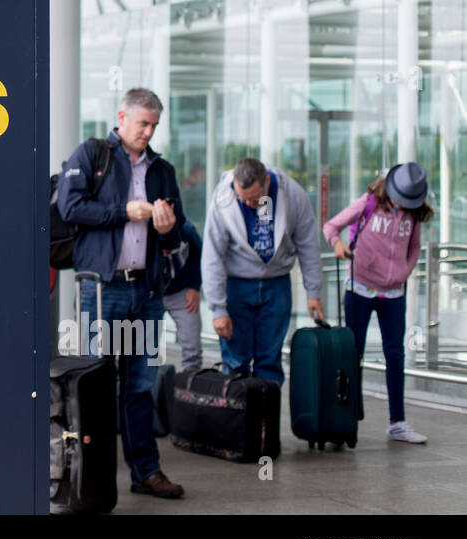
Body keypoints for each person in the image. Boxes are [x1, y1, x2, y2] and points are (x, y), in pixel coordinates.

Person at [59, 87, 187, 500]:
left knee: (139, 385)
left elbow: (178, 230)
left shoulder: (161, 170)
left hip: (146, 292)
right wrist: (124, 212)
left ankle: (146, 472)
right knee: (96, 383)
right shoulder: (93, 155)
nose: (148, 132)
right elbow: (70, 206)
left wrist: (168, 230)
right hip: (102, 291)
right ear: (122, 117)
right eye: (142, 123)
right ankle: (89, 474)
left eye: (154, 125)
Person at [323, 163, 431, 444]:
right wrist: (337, 243)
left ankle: (397, 423)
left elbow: (416, 246)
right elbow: (331, 226)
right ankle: (347, 418)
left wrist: (404, 271)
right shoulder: (369, 202)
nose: (402, 204)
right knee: (353, 354)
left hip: (394, 293)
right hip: (360, 288)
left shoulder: (414, 213)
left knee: (395, 355)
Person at [202, 156, 323, 386]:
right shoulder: (222, 198)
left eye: (255, 199)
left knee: (269, 361)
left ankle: (265, 422)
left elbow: (308, 244)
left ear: (266, 181)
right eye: (242, 199)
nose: (249, 204)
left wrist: (313, 292)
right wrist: (217, 309)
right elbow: (212, 255)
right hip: (236, 284)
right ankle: (237, 420)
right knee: (235, 362)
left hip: (276, 284)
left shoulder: (292, 194)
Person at [161, 220, 204, 372]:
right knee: (144, 347)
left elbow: (201, 256)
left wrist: (195, 286)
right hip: (152, 292)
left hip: (182, 291)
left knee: (192, 346)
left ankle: (190, 386)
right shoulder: (145, 230)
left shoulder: (187, 230)